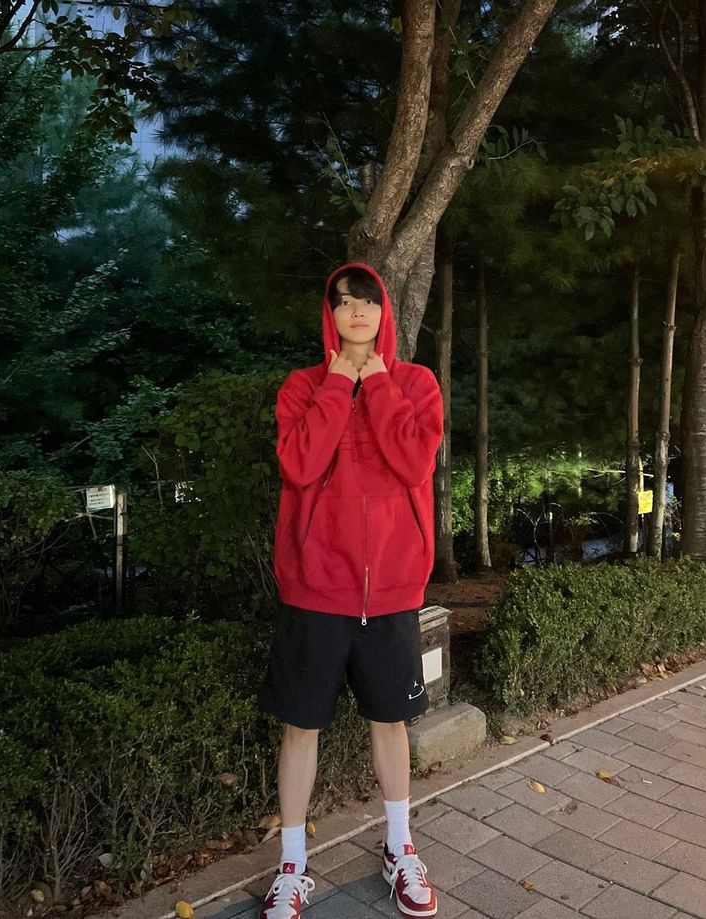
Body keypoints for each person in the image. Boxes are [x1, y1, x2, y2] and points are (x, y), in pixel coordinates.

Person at [257, 262, 444, 918]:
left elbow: (415, 461)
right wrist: (339, 382)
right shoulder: (303, 386)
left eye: (367, 300)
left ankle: (399, 846)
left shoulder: (417, 383)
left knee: (389, 722)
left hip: (391, 590)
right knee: (299, 727)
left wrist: (381, 383)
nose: (356, 310)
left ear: (384, 309)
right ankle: (292, 864)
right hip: (316, 589)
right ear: (329, 314)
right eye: (343, 301)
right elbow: (300, 463)